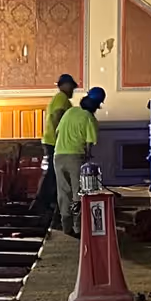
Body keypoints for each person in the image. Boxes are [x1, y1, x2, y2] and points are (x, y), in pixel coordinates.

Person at [52, 86, 104, 235]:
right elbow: (89, 143)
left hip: (58, 156)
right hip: (75, 157)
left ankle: (65, 226)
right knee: (78, 192)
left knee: (63, 192)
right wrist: (87, 156)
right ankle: (78, 227)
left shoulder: (69, 112)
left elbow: (58, 132)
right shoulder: (89, 118)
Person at [33, 74, 79, 220]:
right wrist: (61, 136)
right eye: (71, 86)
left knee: (53, 173)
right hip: (54, 141)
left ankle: (46, 203)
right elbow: (58, 116)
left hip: (51, 140)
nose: (73, 90)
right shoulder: (61, 98)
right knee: (53, 174)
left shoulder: (59, 98)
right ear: (65, 85)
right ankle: (42, 203)